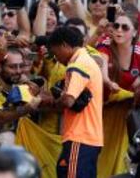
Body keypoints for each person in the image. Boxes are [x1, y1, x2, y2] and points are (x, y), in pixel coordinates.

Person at [48, 27, 103, 178]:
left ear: (64, 46)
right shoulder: (87, 60)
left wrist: (52, 102)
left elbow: (68, 100)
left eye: (55, 52)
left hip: (79, 137)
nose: (56, 58)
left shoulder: (78, 64)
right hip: (89, 138)